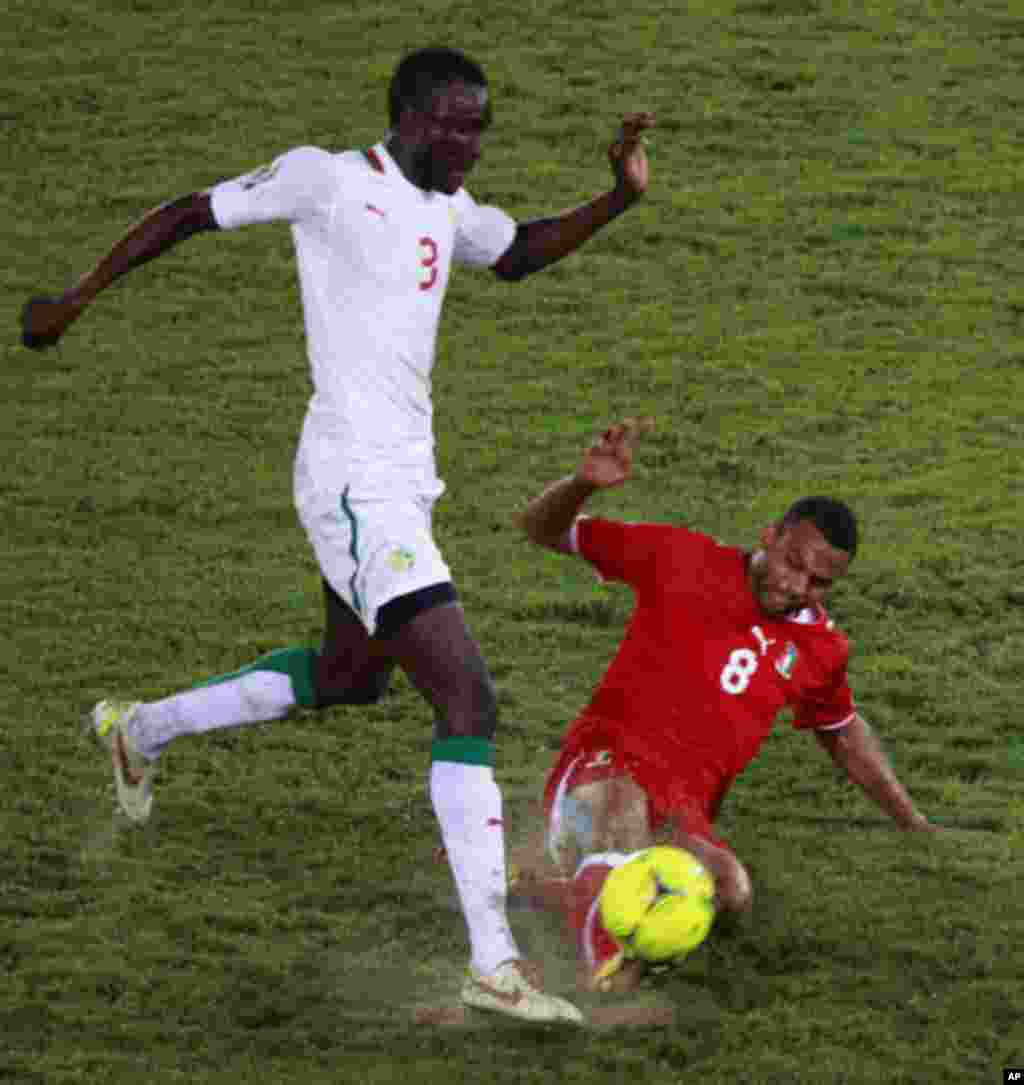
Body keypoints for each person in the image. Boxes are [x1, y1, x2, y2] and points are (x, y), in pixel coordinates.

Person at [21, 47, 655, 1024]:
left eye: (480, 123)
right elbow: (194, 209)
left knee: (352, 675)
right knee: (467, 695)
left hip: (402, 480)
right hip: (354, 482)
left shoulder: (449, 205)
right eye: (453, 122)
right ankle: (492, 963)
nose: (469, 141)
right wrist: (77, 295)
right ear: (404, 115)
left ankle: (137, 729)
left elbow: (519, 249)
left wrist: (618, 196)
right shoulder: (326, 180)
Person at [516, 419, 938, 991]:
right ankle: (607, 979)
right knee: (622, 814)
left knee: (731, 890)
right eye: (793, 563)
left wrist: (910, 821)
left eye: (819, 582)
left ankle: (538, 886)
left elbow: (841, 731)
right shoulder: (681, 558)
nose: (796, 587)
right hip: (605, 764)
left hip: (682, 803)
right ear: (770, 536)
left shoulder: (821, 647)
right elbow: (539, 530)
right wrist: (581, 485)